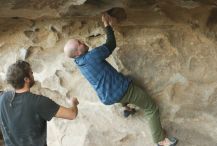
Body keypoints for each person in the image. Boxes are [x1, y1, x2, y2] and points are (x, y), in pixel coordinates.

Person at [64, 13, 177, 146]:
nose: (82, 42)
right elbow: (111, 44)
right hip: (122, 91)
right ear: (77, 52)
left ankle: (127, 108)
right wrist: (107, 25)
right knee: (151, 108)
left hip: (108, 97)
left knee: (120, 82)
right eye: (79, 43)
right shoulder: (91, 57)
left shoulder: (79, 62)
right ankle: (160, 140)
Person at [0, 60, 79, 146]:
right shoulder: (39, 102)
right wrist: (74, 103)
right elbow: (72, 114)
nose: (33, 74)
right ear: (26, 79)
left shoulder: (3, 98)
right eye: (31, 72)